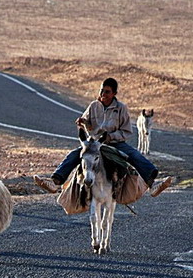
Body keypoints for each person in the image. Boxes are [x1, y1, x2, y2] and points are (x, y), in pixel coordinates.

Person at [34, 77, 173, 196]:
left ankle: (152, 184)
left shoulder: (121, 108)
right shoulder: (93, 106)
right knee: (75, 155)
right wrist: (83, 122)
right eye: (101, 90)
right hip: (94, 143)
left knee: (134, 155)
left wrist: (110, 137)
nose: (103, 94)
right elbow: (87, 124)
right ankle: (55, 182)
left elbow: (126, 132)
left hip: (114, 143)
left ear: (114, 93)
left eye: (107, 92)